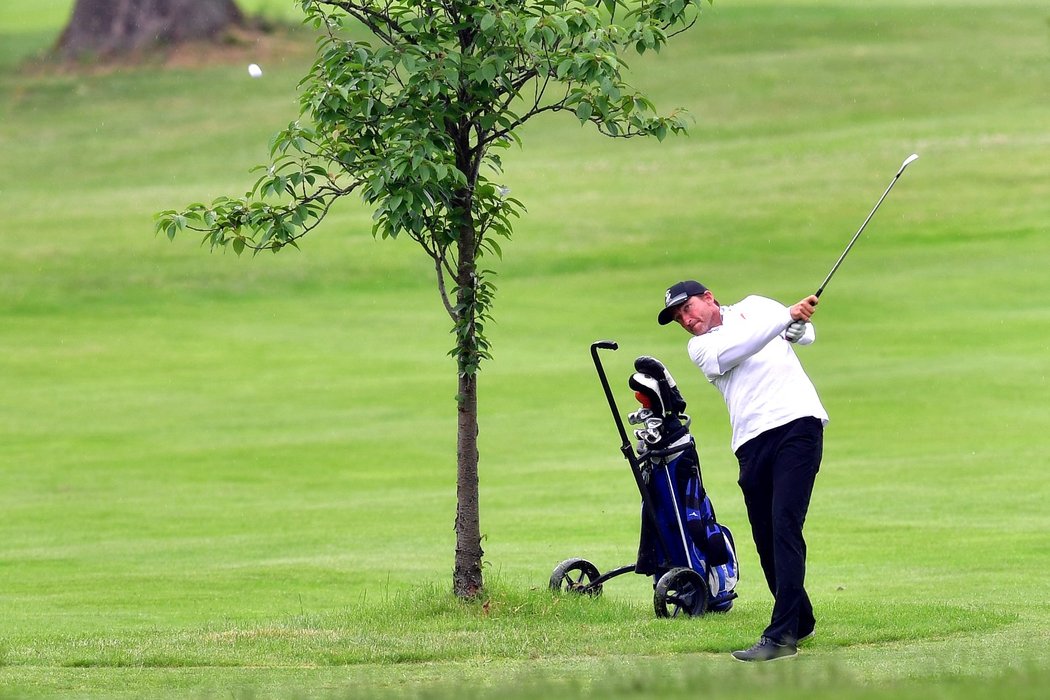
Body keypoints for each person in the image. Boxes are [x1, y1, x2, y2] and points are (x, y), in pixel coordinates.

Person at [657, 280, 828, 662]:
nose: (685, 319)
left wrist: (795, 325)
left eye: (687, 309)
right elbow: (742, 346)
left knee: (785, 525)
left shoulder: (756, 305)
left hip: (798, 424)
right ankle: (801, 618)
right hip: (751, 441)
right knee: (766, 536)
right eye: (678, 317)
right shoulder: (700, 347)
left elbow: (805, 335)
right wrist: (786, 317)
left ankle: (782, 636)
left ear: (708, 298)